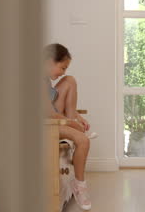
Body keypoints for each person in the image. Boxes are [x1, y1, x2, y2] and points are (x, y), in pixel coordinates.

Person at [44, 43, 92, 210]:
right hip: (44, 125)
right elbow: (49, 113)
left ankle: (73, 126)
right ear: (50, 61)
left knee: (70, 80)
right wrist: (74, 126)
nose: (62, 72)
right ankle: (79, 186)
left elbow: (53, 105)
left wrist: (78, 118)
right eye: (62, 67)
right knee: (84, 141)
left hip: (54, 116)